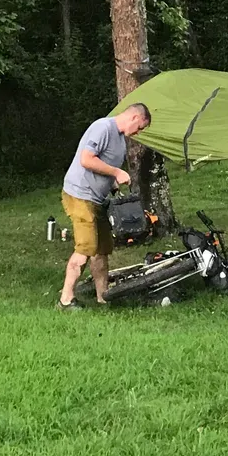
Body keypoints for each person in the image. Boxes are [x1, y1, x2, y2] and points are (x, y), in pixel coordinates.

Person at [58, 102, 153, 309]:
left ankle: (103, 298)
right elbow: (86, 159)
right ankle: (65, 299)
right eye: (140, 127)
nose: (138, 132)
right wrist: (116, 172)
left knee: (102, 249)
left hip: (98, 199)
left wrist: (113, 184)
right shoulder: (103, 127)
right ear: (135, 117)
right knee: (86, 246)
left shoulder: (120, 139)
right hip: (80, 195)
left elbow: (104, 165)